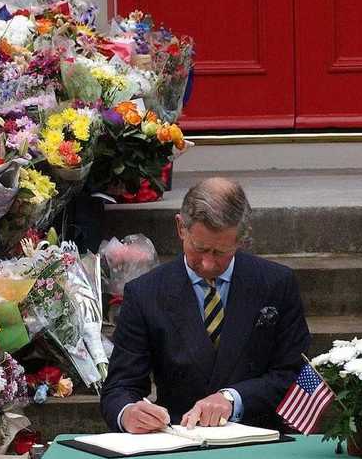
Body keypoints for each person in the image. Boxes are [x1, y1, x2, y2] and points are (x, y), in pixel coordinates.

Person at [101, 178, 310, 433]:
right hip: (180, 441)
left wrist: (233, 399)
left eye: (221, 252)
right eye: (199, 249)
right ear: (181, 228)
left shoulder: (276, 284)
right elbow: (120, 387)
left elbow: (295, 375)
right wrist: (128, 413)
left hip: (260, 439)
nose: (208, 264)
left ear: (241, 240)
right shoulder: (145, 293)